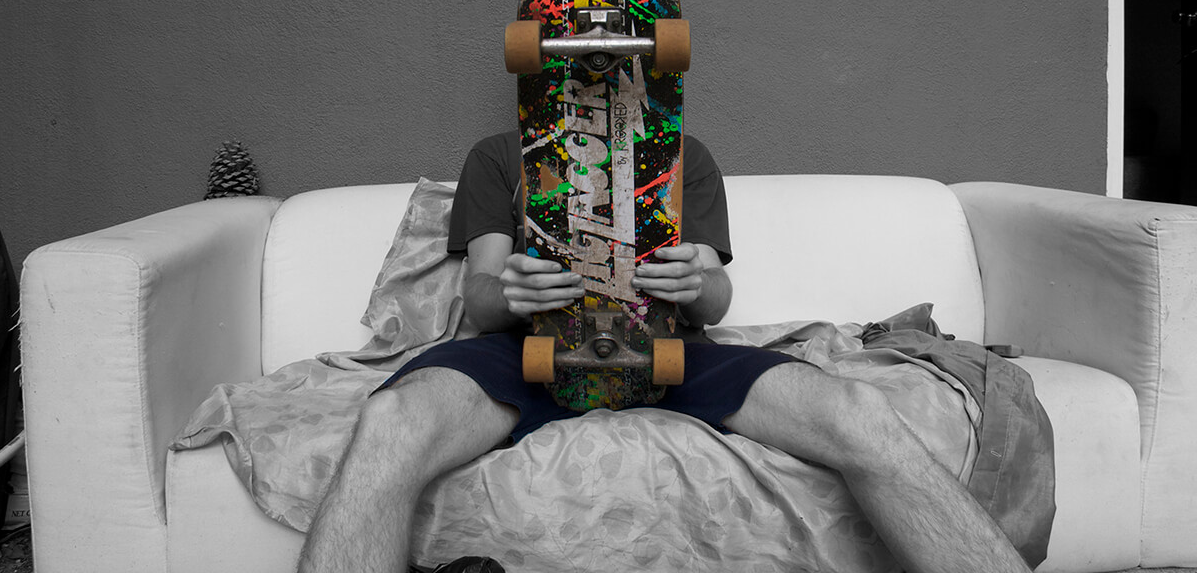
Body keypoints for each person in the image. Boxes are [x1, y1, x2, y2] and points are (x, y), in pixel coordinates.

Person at [298, 132, 1032, 573]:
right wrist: (514, 289)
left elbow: (715, 301)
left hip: (672, 348)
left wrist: (698, 281)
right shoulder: (498, 156)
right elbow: (481, 298)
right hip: (525, 350)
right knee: (389, 423)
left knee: (859, 414)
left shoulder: (684, 156)